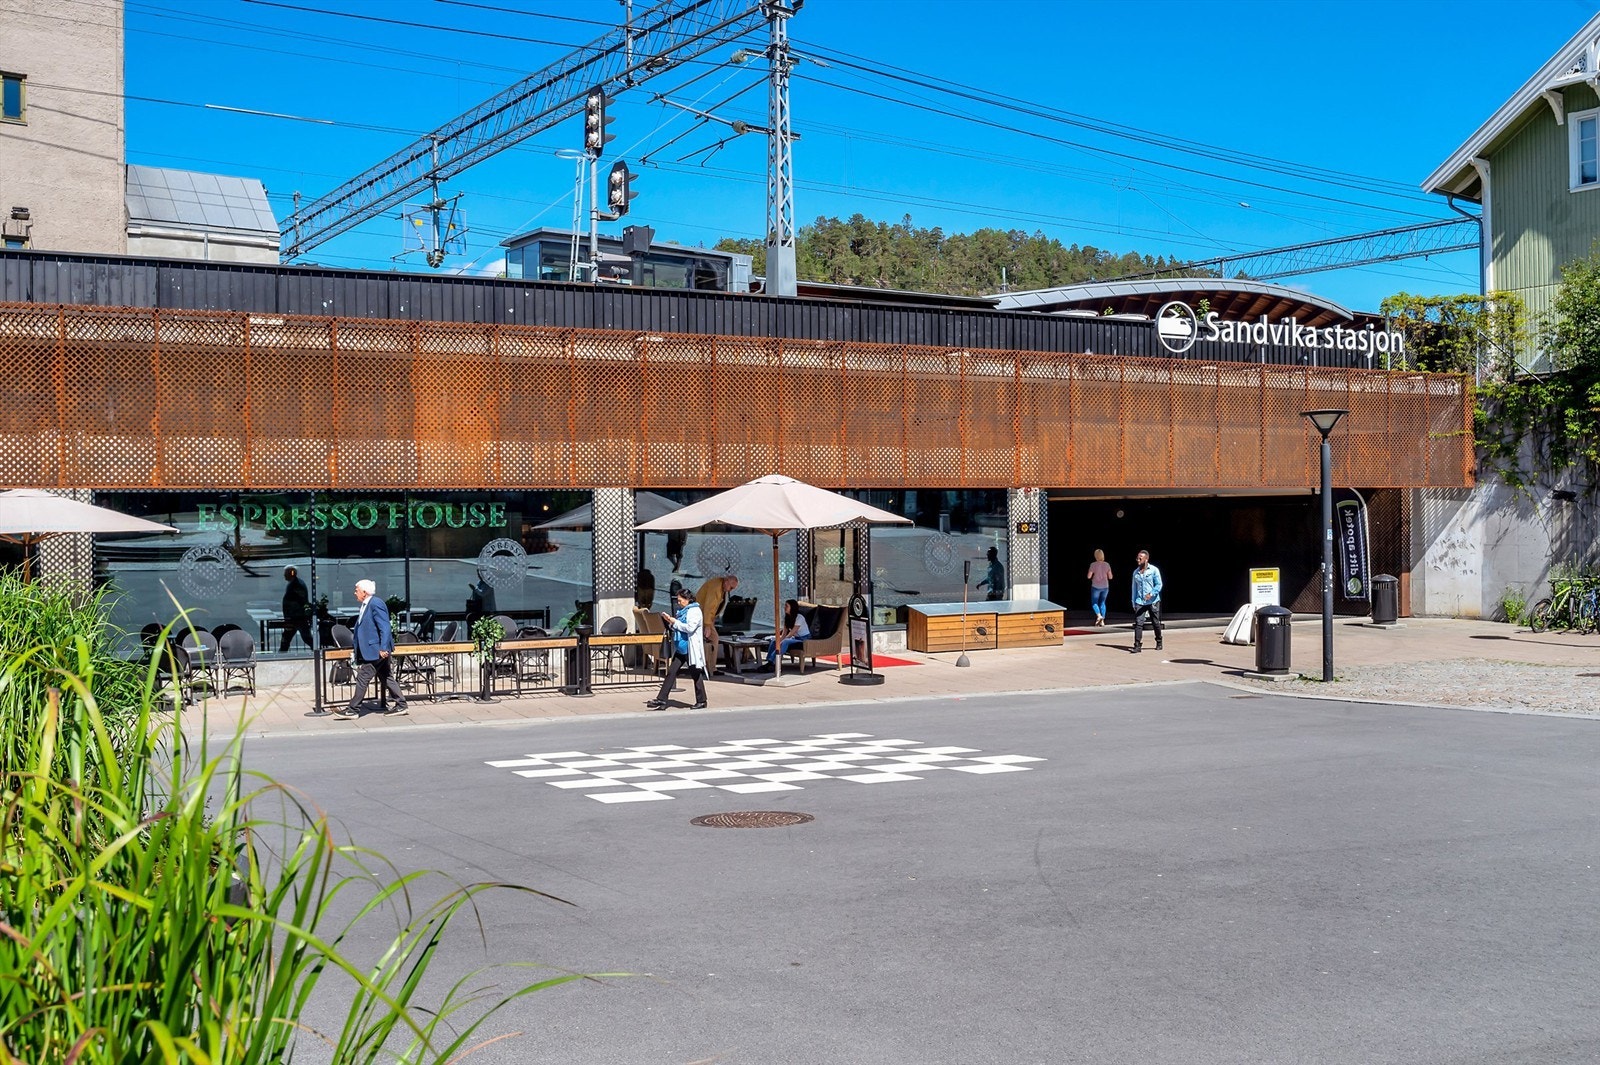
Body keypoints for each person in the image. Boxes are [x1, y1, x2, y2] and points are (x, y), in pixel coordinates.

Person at [335, 578, 407, 718]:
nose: (354, 593)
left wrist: (384, 647)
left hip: (376, 650)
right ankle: (401, 705)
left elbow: (385, 627)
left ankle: (353, 709)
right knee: (386, 677)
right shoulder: (365, 605)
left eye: (356, 590)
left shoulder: (375, 603)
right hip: (374, 649)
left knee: (363, 677)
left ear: (364, 592)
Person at [647, 585, 706, 710]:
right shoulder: (682, 612)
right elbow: (678, 627)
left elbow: (690, 628)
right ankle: (661, 699)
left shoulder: (695, 611)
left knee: (695, 674)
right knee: (672, 672)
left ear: (688, 599)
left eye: (680, 600)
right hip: (681, 648)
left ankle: (702, 700)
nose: (678, 603)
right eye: (678, 600)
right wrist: (670, 621)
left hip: (690, 648)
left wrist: (675, 622)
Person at [696, 572, 739, 673]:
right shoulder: (716, 588)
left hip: (705, 616)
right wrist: (707, 625)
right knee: (714, 638)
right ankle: (710, 667)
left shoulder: (719, 585)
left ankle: (707, 666)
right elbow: (709, 606)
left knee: (711, 639)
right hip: (702, 616)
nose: (730, 590)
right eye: (731, 587)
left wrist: (712, 619)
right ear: (726, 581)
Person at [1130, 549, 1163, 653]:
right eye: (1137, 558)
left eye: (1140, 558)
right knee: (1139, 623)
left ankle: (1159, 640)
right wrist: (1133, 601)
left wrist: (1152, 594)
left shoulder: (1154, 570)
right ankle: (1137, 645)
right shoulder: (1136, 572)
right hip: (1140, 601)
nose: (1138, 560)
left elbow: (1159, 584)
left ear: (1146, 559)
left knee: (1155, 622)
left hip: (1153, 601)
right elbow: (1134, 588)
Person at [763, 598, 812, 669]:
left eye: (786, 606)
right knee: (774, 641)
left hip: (804, 639)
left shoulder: (799, 618)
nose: (784, 608)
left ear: (792, 607)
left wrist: (781, 642)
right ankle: (769, 661)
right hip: (795, 638)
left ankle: (772, 662)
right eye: (785, 606)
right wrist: (778, 640)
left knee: (785, 642)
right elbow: (784, 634)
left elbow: (791, 633)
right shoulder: (787, 618)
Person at [279, 565, 313, 652]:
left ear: (292, 573)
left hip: (297, 617)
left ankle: (316, 649)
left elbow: (301, 600)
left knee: (304, 637)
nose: (284, 575)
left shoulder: (297, 585)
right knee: (289, 637)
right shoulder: (294, 584)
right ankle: (282, 652)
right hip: (294, 617)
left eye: (286, 573)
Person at [1086, 549, 1114, 627]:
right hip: (1105, 587)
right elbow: (1111, 577)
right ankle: (1102, 621)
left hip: (1096, 586)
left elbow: (1088, 576)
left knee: (1094, 603)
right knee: (1102, 603)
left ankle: (1099, 616)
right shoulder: (1107, 564)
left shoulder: (1093, 565)